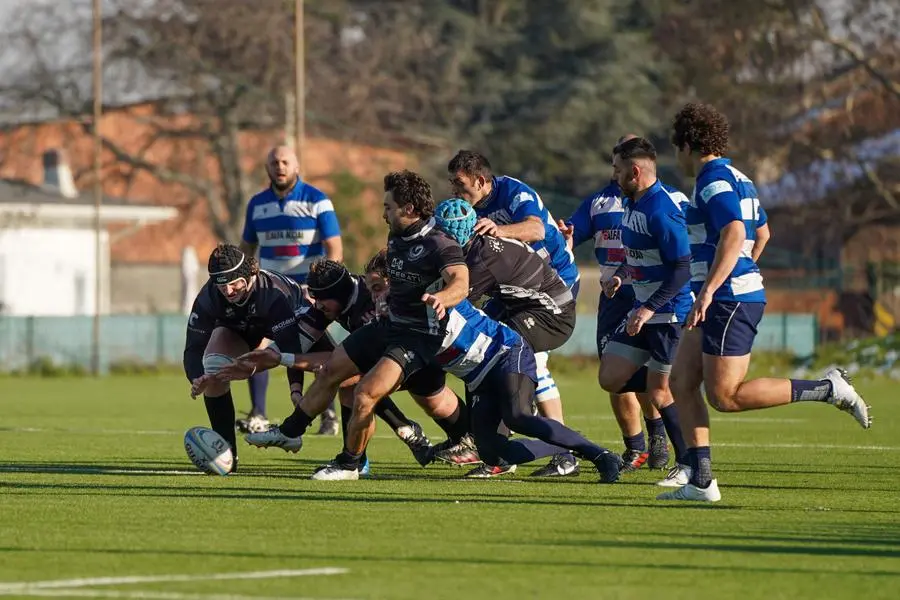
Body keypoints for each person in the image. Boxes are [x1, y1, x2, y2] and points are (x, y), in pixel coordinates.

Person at [660, 102, 871, 502]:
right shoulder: (739, 177)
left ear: (687, 145)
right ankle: (702, 481)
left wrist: (713, 287)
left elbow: (737, 232)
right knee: (681, 381)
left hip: (724, 300)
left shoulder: (712, 181)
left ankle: (826, 389)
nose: (677, 156)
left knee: (725, 396)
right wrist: (736, 273)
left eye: (676, 148)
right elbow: (764, 233)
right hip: (724, 294)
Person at [237, 170, 468, 480]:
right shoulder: (397, 236)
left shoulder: (440, 243)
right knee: (334, 369)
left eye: (388, 206)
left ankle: (350, 464)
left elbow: (461, 282)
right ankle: (290, 432)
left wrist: (443, 297)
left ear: (409, 209)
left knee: (365, 393)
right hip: (388, 326)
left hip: (416, 337)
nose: (384, 213)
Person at [447, 150, 579, 477]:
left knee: (530, 357)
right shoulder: (469, 209)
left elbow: (535, 229)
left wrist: (499, 230)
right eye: (452, 184)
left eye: (461, 184)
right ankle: (498, 452)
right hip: (510, 291)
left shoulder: (512, 192)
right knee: (487, 353)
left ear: (480, 180)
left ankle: (565, 452)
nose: (456, 192)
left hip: (550, 285)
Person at [559, 134, 673, 472]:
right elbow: (572, 233)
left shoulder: (664, 200)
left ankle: (657, 435)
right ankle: (635, 448)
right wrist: (564, 234)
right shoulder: (598, 203)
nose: (616, 169)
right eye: (614, 162)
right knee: (615, 373)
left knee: (648, 371)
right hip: (613, 299)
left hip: (652, 296)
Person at [588, 137, 692, 484]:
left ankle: (689, 465)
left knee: (660, 393)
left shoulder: (661, 210)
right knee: (611, 377)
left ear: (635, 171)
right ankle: (671, 382)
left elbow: (681, 268)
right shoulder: (633, 203)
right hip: (642, 310)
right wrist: (620, 276)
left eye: (617, 169)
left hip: (668, 315)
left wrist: (648, 308)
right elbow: (638, 256)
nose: (613, 176)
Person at [183, 243, 331, 473]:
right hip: (244, 330)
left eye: (234, 284)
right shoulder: (209, 296)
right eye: (222, 285)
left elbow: (291, 348)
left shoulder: (273, 294)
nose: (228, 291)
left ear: (249, 275)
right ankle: (227, 457)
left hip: (299, 328)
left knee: (345, 371)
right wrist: (197, 378)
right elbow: (193, 348)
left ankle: (353, 459)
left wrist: (295, 391)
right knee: (213, 370)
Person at [237, 146, 343, 436]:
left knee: (312, 349)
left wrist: (323, 287)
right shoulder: (257, 204)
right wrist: (245, 281)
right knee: (258, 345)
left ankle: (328, 415)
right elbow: (247, 251)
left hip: (307, 293)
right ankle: (258, 414)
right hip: (270, 292)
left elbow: (335, 249)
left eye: (285, 162)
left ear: (296, 166)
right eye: (274, 162)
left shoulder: (318, 200)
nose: (279, 166)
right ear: (267, 167)